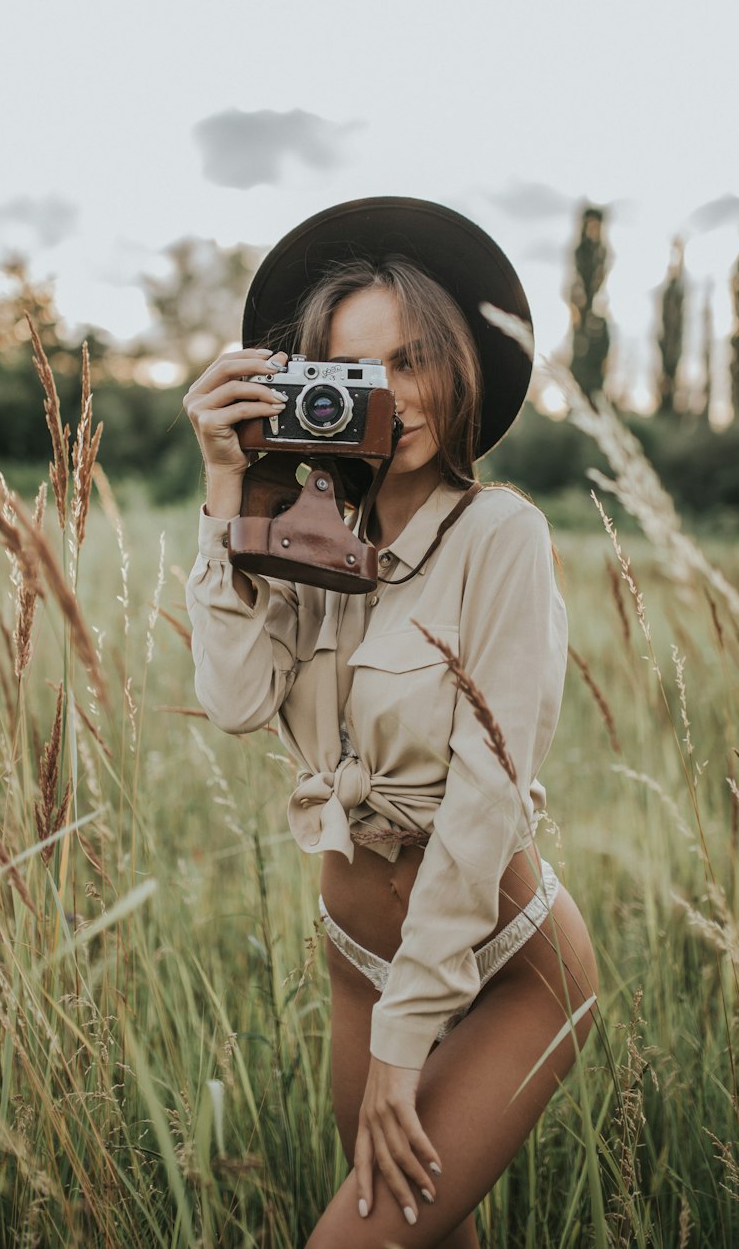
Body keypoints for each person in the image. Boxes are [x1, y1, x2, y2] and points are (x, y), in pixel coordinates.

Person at [184, 198, 598, 1247]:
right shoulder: (304, 529)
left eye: (412, 361)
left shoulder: (499, 534)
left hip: (503, 965)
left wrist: (403, 1047)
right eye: (357, 373)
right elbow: (234, 703)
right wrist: (227, 491)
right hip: (354, 965)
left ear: (459, 365)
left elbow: (483, 807)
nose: (394, 398)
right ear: (309, 388)